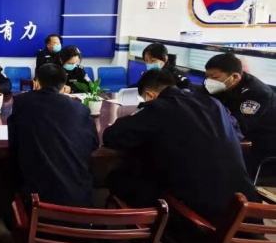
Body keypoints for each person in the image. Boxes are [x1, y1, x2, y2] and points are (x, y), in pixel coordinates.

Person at [103, 69, 260, 225]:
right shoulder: (214, 103)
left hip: (202, 220)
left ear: (150, 95)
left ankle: (150, 231)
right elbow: (238, 134)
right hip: (246, 210)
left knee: (118, 178)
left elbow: (111, 137)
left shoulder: (158, 107)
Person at [8, 64, 99, 208]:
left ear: (36, 82)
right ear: (64, 86)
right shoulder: (81, 109)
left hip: (38, 204)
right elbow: (94, 143)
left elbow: (13, 142)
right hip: (80, 204)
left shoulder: (22, 102)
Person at [204, 53, 276, 176]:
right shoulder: (216, 84)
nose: (209, 81)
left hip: (261, 143)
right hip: (228, 132)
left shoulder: (258, 93)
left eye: (214, 77)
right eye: (207, 76)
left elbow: (239, 127)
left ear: (235, 77)